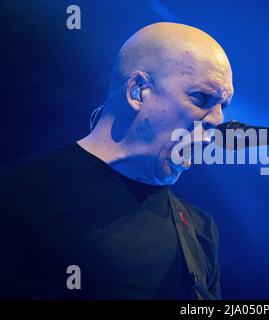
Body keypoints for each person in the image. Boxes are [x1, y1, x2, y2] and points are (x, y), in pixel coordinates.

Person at [0, 22, 234, 299]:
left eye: (223, 106)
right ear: (137, 90)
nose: (218, 120)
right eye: (202, 97)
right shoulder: (18, 193)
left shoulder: (199, 229)